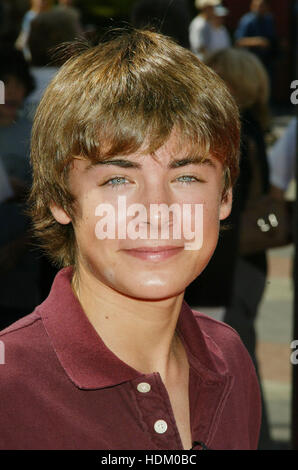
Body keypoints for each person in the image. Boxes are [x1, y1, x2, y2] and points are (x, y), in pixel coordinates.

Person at [0, 29, 261, 450]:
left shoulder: (230, 358)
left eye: (187, 176)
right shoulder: (9, 388)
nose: (155, 210)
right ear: (60, 200)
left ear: (225, 196)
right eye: (119, 178)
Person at [205, 48, 273, 449]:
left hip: (231, 265)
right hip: (249, 261)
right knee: (238, 357)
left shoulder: (232, 133)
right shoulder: (252, 129)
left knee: (233, 359)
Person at [0, 46, 42, 329]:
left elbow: (52, 202)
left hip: (21, 264)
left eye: (18, 84)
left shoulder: (33, 133)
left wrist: (16, 248)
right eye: (5, 84)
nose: (12, 93)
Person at [234, 0, 278, 81]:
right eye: (257, 6)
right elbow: (239, 41)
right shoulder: (247, 20)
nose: (259, 8)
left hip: (266, 63)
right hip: (251, 63)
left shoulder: (269, 19)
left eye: (262, 6)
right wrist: (258, 41)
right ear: (252, 6)